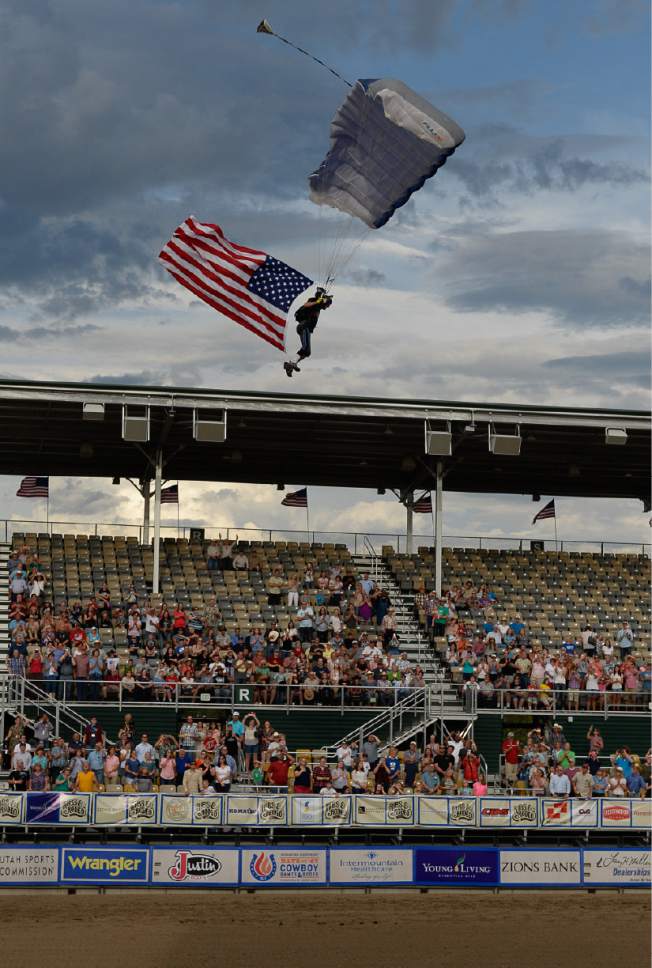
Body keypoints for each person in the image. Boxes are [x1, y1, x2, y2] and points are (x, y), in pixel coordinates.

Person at [284, 287, 333, 376]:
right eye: (328, 305)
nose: (328, 307)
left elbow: (319, 306)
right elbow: (306, 305)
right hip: (303, 326)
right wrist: (319, 300)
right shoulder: (313, 302)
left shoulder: (317, 307)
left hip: (307, 329)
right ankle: (291, 363)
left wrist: (324, 299)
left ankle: (291, 365)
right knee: (304, 347)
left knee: (307, 352)